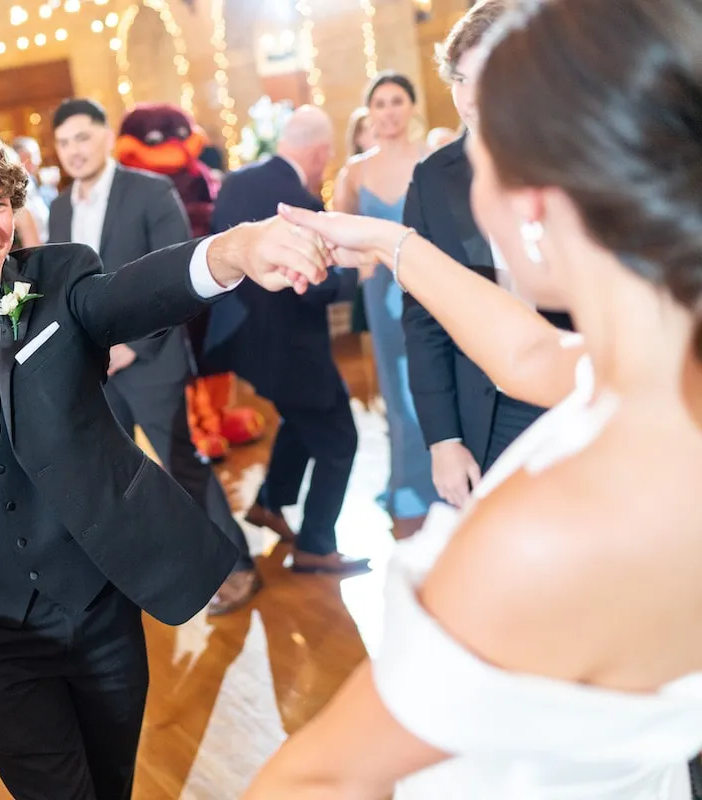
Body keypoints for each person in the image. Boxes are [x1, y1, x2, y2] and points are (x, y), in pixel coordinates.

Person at [243, 0, 702, 796]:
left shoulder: (552, 532)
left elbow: (320, 781)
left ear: (529, 206)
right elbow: (532, 353)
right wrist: (390, 242)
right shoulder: (662, 375)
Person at [0, 129, 323, 799]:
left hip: (100, 610)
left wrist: (235, 249)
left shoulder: (60, 276)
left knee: (110, 785)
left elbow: (138, 293)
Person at [49, 97, 261, 612]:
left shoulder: (149, 191)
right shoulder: (58, 208)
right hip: (93, 370)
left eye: (82, 137)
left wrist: (129, 347)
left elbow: (177, 281)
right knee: (111, 473)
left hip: (151, 360)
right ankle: (151, 573)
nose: (73, 150)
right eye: (63, 142)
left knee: (181, 464)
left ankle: (238, 567)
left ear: (104, 137)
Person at [402, 0, 572, 508]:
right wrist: (443, 440)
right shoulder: (433, 177)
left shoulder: (572, 156)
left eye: (490, 75)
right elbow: (423, 318)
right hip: (486, 406)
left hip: (570, 389)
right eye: (459, 78)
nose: (471, 97)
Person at [208, 106, 367, 574]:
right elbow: (313, 281)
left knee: (302, 421)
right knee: (340, 439)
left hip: (246, 341)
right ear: (319, 151)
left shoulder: (237, 181)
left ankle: (270, 503)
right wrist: (355, 276)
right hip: (292, 345)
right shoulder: (297, 198)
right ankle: (316, 545)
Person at [334, 72, 437, 538]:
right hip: (381, 290)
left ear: (412, 107)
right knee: (397, 386)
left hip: (432, 283)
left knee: (437, 375)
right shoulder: (355, 171)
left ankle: (447, 471)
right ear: (369, 112)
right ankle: (409, 483)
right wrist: (359, 263)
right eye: (380, 103)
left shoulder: (433, 160)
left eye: (397, 101)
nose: (389, 111)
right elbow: (338, 229)